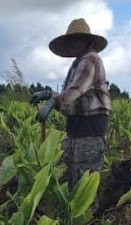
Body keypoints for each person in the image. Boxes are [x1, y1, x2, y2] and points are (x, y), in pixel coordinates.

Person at [36, 18, 111, 190]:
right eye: (71, 40)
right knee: (65, 172)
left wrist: (52, 101)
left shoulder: (91, 59)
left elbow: (74, 92)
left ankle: (88, 216)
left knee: (85, 181)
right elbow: (70, 97)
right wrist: (49, 95)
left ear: (87, 41)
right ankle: (67, 213)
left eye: (77, 39)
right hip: (76, 128)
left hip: (90, 128)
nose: (73, 43)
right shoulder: (77, 63)